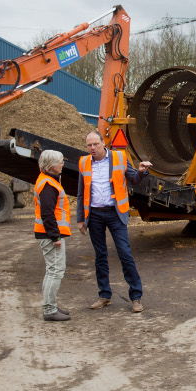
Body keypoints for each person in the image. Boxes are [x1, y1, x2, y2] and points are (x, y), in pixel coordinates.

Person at [77, 131, 152, 312]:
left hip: (115, 214)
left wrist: (142, 172)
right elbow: (81, 192)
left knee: (125, 254)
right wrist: (81, 219)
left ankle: (136, 297)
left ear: (104, 143)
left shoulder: (120, 157)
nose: (92, 148)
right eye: (89, 145)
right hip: (94, 215)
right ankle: (104, 295)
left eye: (95, 144)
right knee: (100, 256)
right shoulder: (84, 162)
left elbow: (134, 180)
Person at [34, 149, 71, 322]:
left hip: (46, 234)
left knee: (52, 271)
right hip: (50, 235)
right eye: (60, 162)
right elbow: (47, 213)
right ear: (50, 166)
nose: (62, 164)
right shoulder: (49, 185)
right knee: (55, 271)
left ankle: (51, 306)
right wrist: (55, 236)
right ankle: (49, 309)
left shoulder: (47, 181)